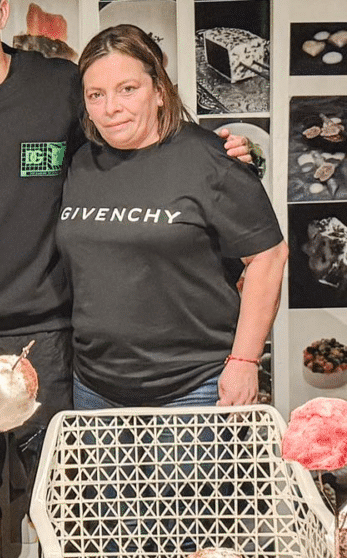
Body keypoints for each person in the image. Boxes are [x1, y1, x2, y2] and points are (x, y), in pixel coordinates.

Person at [0, 0, 252, 547]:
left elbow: (141, 132)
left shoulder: (59, 86)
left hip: (45, 335)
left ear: (3, 11)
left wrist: (225, 148)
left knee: (66, 501)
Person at [58, 24, 287, 409]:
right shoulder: (82, 163)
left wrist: (245, 361)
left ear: (160, 91)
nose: (110, 108)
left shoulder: (210, 158)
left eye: (127, 89)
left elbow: (269, 256)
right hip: (95, 388)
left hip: (192, 389)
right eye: (96, 95)